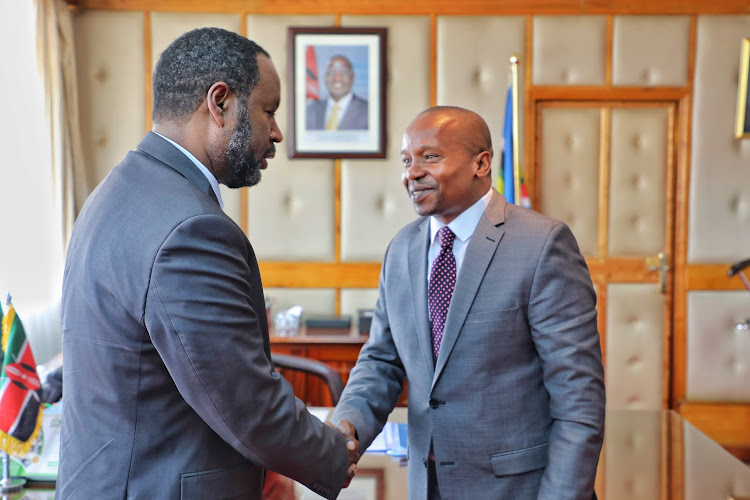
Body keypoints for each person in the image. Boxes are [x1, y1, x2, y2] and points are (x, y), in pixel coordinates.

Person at [59, 28, 358, 499]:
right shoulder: (190, 229)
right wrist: (333, 453)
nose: (277, 133)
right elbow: (244, 399)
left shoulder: (117, 192)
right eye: (269, 110)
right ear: (219, 102)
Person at [332, 106, 605, 499]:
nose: (412, 173)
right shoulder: (401, 249)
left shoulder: (543, 245)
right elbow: (381, 361)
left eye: (430, 157)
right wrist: (348, 425)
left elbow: (579, 399)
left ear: (481, 163)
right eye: (407, 160)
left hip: (520, 488)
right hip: (428, 486)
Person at [306, 55, 368, 130]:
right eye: (331, 72)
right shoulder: (310, 111)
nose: (337, 78)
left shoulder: (369, 111)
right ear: (325, 77)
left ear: (352, 77)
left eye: (344, 72)